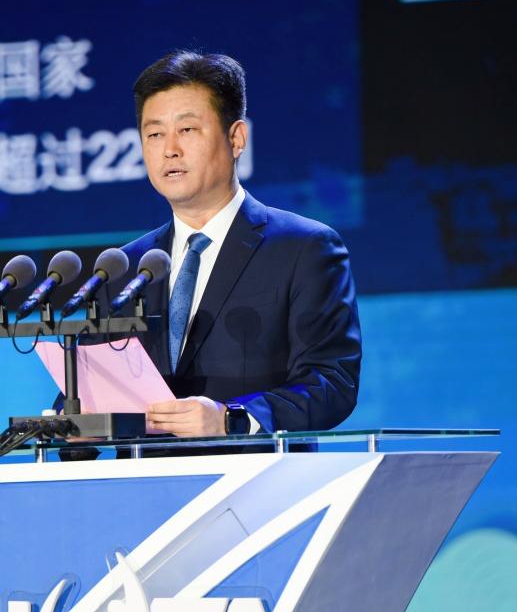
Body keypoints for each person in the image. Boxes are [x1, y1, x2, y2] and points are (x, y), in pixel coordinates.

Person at [117, 50, 361, 437]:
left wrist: (231, 419)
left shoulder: (303, 248)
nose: (169, 149)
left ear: (236, 138)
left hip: (259, 471)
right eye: (154, 134)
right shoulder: (126, 267)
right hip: (148, 474)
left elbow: (331, 383)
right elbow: (88, 390)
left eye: (187, 130)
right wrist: (75, 426)